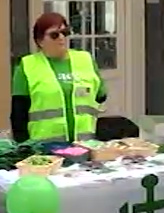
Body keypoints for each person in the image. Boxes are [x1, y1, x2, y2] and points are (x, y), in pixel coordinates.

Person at [10, 12, 108, 143]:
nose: (61, 38)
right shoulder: (27, 66)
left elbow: (101, 96)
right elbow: (18, 116)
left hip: (84, 145)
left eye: (65, 32)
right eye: (54, 35)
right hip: (44, 149)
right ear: (40, 41)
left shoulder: (85, 59)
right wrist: (24, 149)